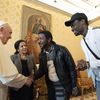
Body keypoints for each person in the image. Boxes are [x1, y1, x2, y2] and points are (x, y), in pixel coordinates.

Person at [65, 12, 100, 99]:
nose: (72, 29)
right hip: (97, 80)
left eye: (73, 25)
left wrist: (88, 64)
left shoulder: (97, 33)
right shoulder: (82, 42)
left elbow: (90, 63)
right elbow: (91, 62)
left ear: (82, 21)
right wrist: (83, 66)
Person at [34, 30, 77, 100]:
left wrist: (74, 85)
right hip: (51, 86)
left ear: (49, 40)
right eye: (38, 39)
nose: (39, 41)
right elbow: (42, 70)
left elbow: (72, 68)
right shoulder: (42, 55)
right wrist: (33, 77)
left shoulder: (62, 50)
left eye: (41, 39)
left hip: (63, 85)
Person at [0, 21, 33, 100]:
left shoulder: (31, 57)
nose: (10, 36)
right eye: (10, 33)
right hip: (16, 88)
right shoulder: (13, 57)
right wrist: (25, 80)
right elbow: (7, 75)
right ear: (1, 30)